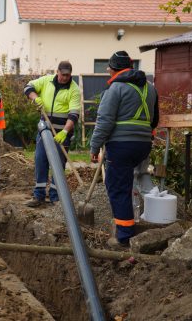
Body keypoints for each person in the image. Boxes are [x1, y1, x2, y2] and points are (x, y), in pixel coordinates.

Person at [90, 51, 159, 250]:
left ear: (113, 69)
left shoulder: (115, 88)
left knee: (118, 188)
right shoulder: (150, 88)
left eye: (109, 69)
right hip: (143, 145)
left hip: (121, 146)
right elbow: (154, 120)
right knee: (136, 182)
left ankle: (124, 237)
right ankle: (145, 220)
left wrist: (95, 147)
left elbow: (104, 121)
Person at [23, 61, 81, 207]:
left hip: (62, 132)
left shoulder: (74, 89)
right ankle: (39, 196)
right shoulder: (46, 80)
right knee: (41, 160)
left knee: (59, 165)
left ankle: (55, 197)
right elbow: (28, 87)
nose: (65, 78)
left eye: (68, 75)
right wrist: (35, 98)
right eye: (63, 75)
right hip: (45, 130)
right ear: (58, 72)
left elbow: (73, 115)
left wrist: (65, 131)